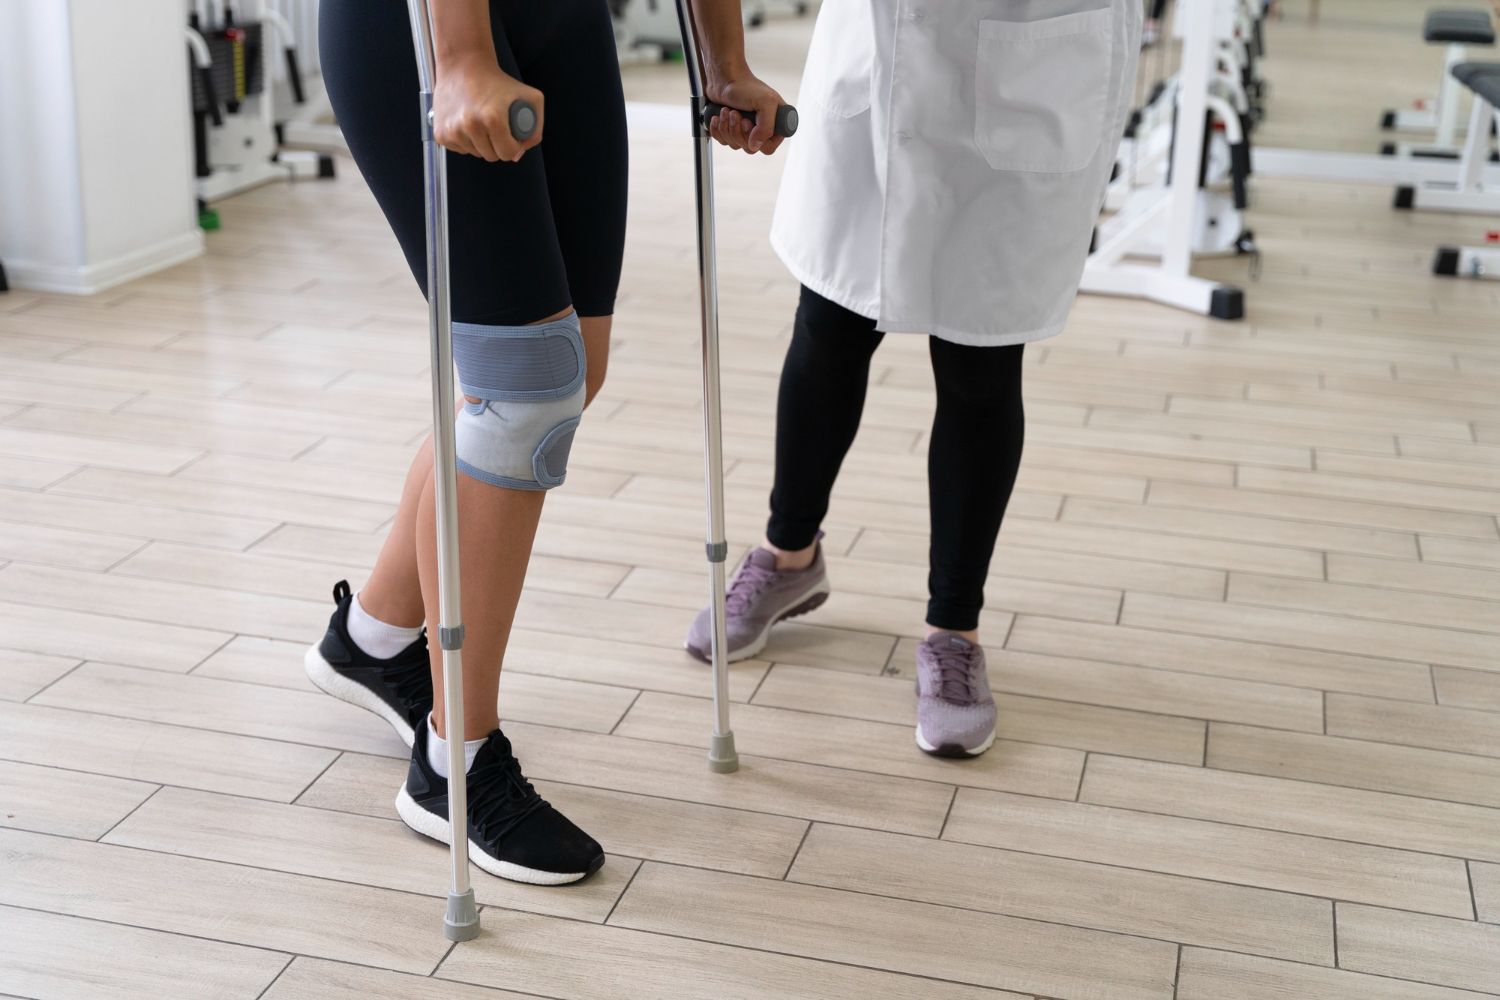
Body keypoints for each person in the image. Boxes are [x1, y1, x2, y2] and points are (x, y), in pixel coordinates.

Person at [308, 0, 787, 885]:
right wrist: (457, 55)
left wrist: (724, 60)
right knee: (526, 389)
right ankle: (454, 763)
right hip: (423, 23)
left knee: (562, 372)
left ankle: (369, 637)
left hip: (566, 20)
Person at [686, 0, 1141, 758]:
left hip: (1031, 51)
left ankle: (953, 631)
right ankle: (789, 555)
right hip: (878, 47)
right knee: (830, 323)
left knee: (980, 362)